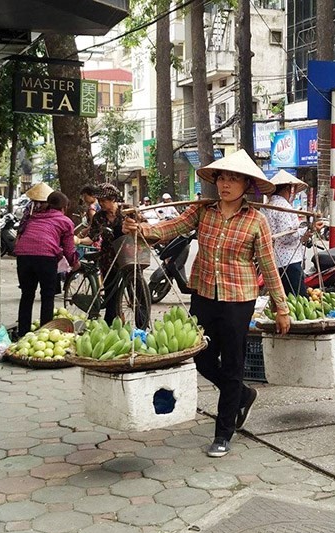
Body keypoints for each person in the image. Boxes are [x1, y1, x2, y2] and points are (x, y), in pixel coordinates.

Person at [123, 149, 290, 458]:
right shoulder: (204, 211)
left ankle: (224, 432)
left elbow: (269, 266)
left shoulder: (256, 221)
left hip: (238, 299)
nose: (226, 184)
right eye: (222, 178)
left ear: (246, 185)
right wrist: (142, 229)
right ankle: (242, 394)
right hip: (202, 295)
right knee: (200, 357)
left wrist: (282, 308)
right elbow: (170, 228)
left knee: (232, 364)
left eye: (234, 179)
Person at [13, 190, 78, 337]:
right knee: (47, 296)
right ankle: (45, 333)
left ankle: (23, 333)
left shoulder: (33, 217)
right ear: (64, 207)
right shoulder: (65, 221)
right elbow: (69, 249)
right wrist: (75, 263)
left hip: (23, 256)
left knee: (27, 295)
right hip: (45, 257)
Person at [264, 170, 324, 296]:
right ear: (288, 188)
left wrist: (307, 231)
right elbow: (287, 237)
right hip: (288, 261)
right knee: (298, 299)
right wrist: (305, 230)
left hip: (276, 260)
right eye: (294, 190)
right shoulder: (282, 206)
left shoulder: (268, 206)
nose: (295, 194)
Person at [87, 183, 127, 326]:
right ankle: (110, 321)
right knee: (111, 289)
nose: (101, 204)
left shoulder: (127, 211)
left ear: (113, 199)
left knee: (135, 285)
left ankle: (142, 318)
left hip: (127, 253)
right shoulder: (99, 217)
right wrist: (78, 240)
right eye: (100, 201)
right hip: (108, 257)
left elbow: (144, 225)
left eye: (104, 200)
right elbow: (93, 236)